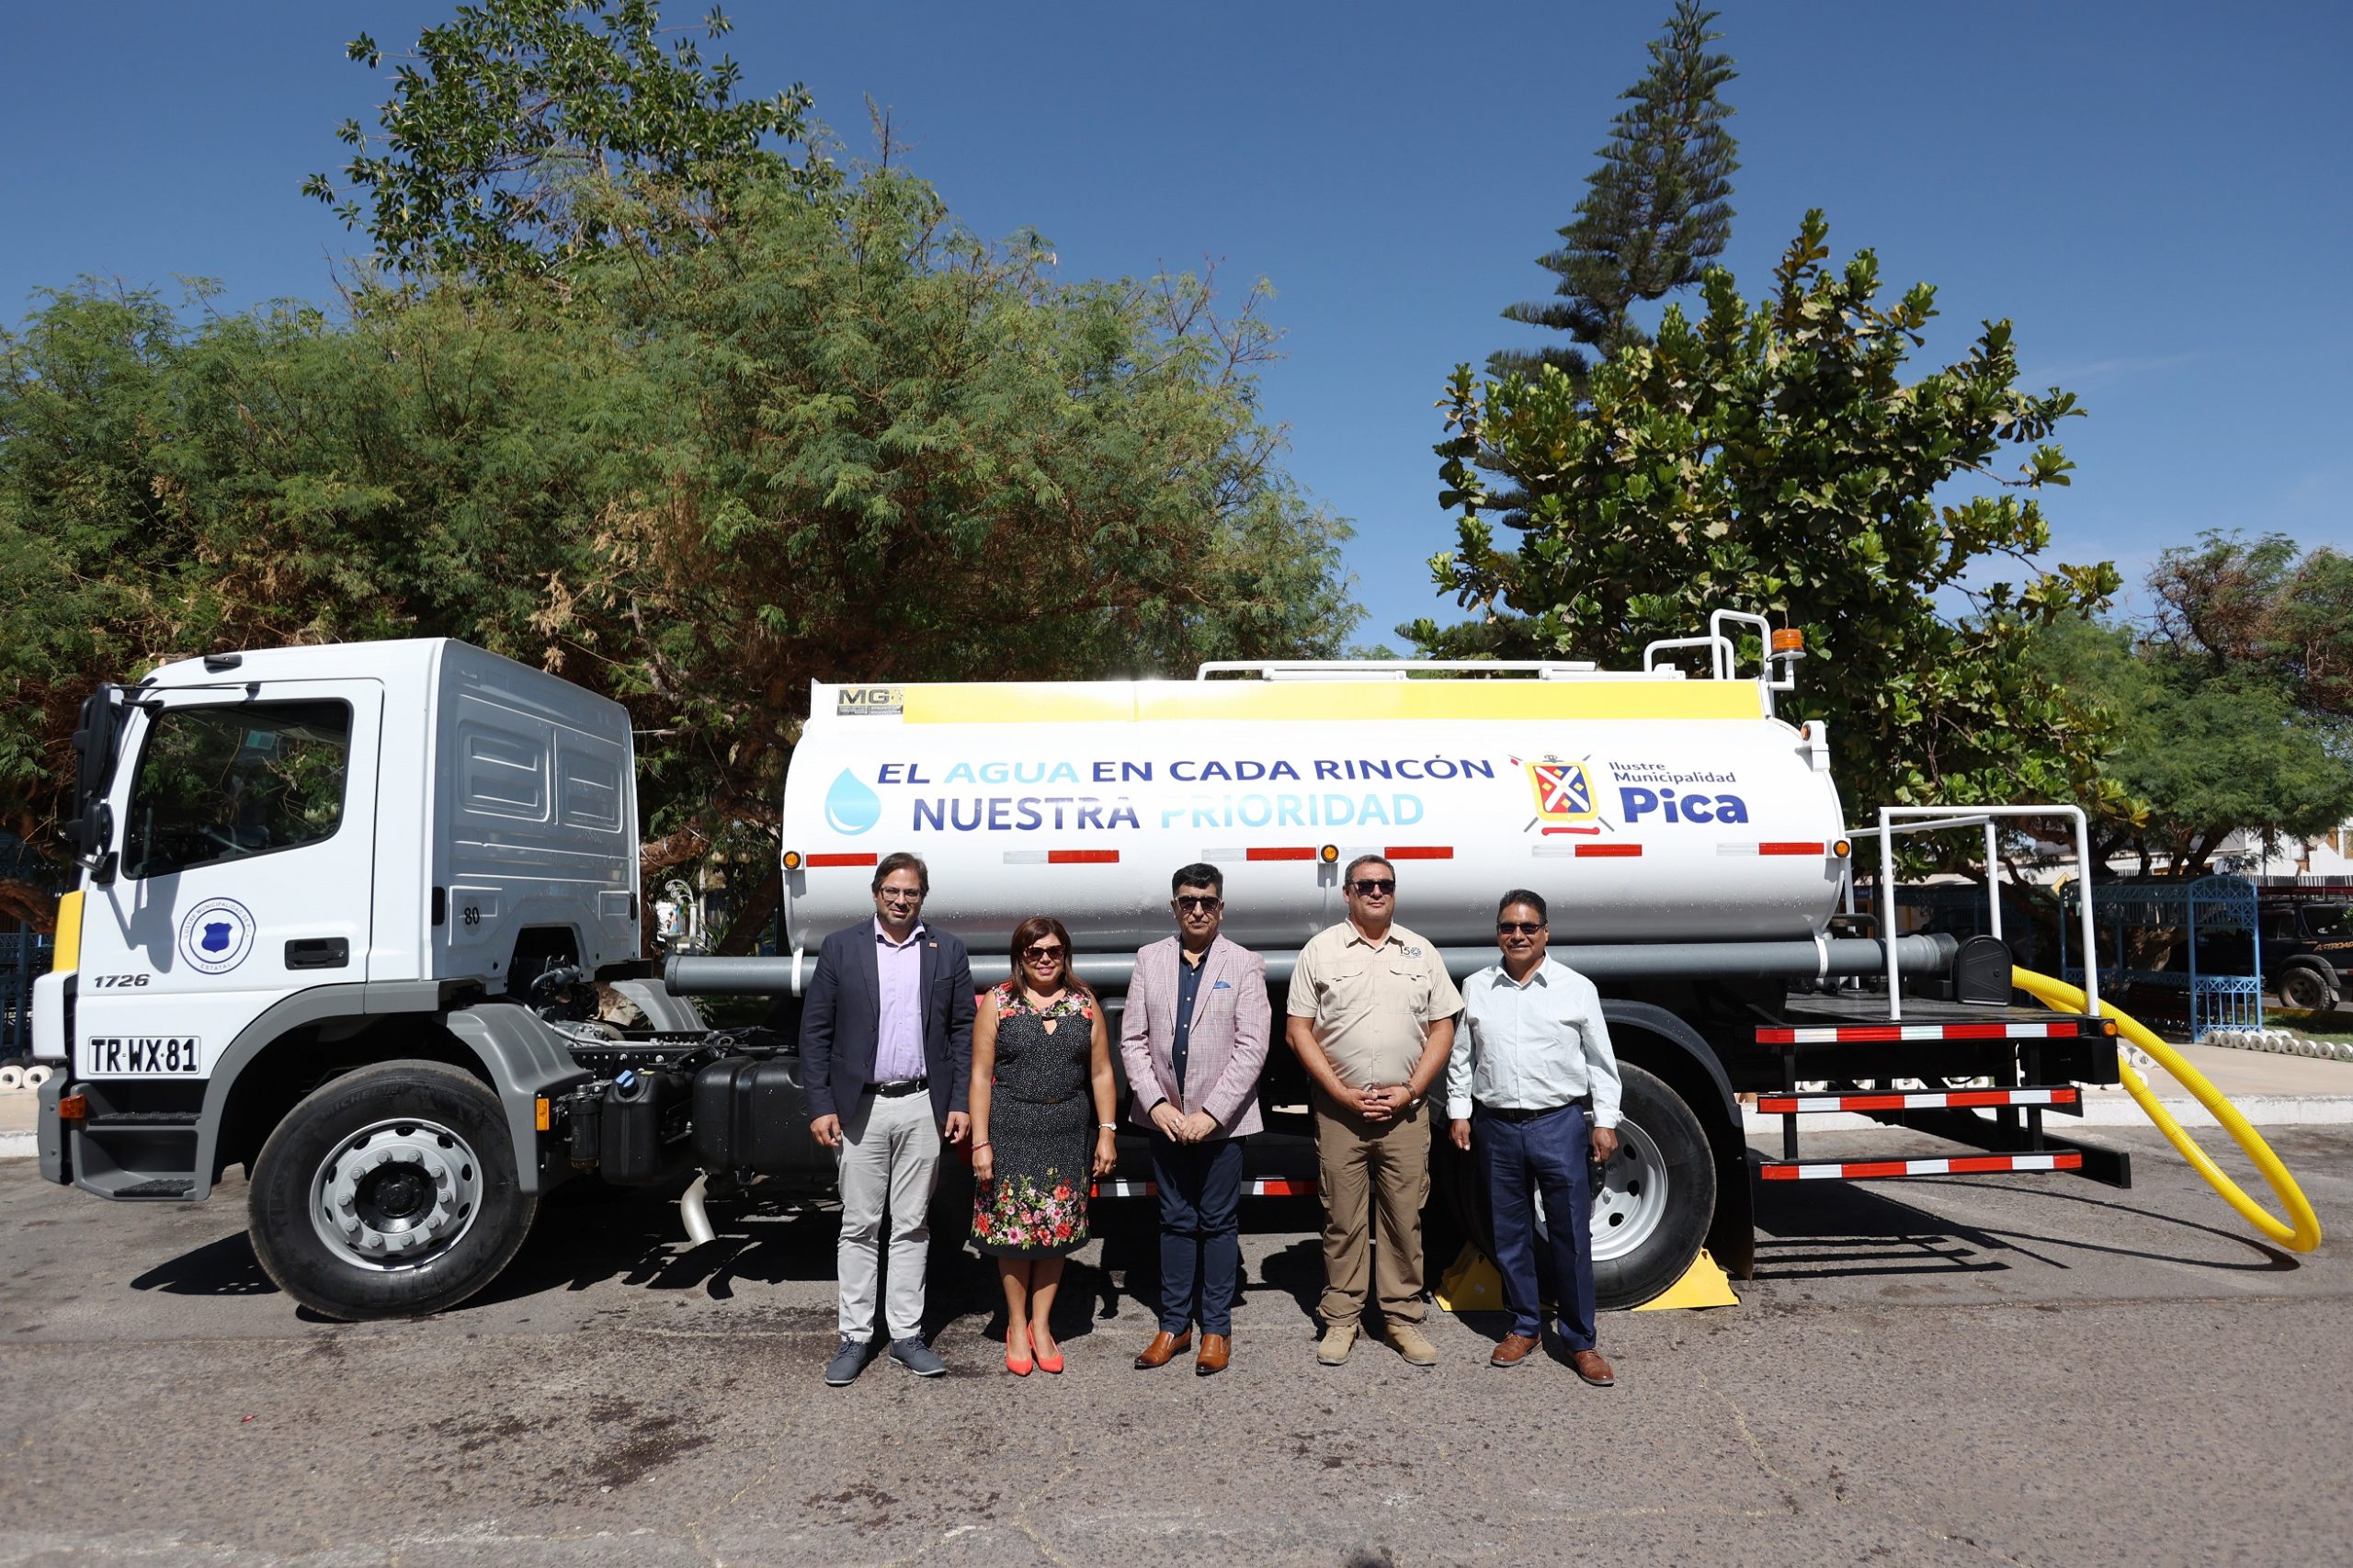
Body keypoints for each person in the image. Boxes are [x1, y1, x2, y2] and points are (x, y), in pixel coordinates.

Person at [800, 852, 974, 1386]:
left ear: (923, 896)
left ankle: (905, 1335)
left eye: (912, 893)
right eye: (893, 891)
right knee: (859, 1225)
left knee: (913, 1225)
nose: (902, 901)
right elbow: (815, 1033)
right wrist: (822, 1104)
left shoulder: (947, 951)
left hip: (923, 1105)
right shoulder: (841, 948)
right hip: (861, 1108)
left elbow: (962, 1032)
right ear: (876, 893)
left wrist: (960, 1101)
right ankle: (855, 1337)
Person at [1286, 855, 1462, 1368]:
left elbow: (1443, 1026)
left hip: (1405, 1112)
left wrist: (1411, 1090)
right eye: (1365, 885)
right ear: (1347, 893)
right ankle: (1341, 1320)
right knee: (1342, 1218)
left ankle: (1403, 1319)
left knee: (1404, 1219)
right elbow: (1298, 1030)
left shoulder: (1420, 951)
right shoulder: (1320, 951)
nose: (1376, 893)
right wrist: (1339, 1093)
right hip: (1341, 1112)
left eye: (1385, 885)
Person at [1448, 889, 1621, 1386]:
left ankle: (1581, 1341)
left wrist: (1605, 1120)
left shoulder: (1575, 988)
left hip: (1558, 1125)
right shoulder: (1477, 986)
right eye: (1508, 927)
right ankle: (1525, 1325)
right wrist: (1461, 1111)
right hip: (1497, 1126)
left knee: (1570, 1237)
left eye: (1528, 927)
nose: (1517, 935)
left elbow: (1600, 1063)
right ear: (1497, 934)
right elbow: (1463, 1058)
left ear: (1546, 931)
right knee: (1509, 1235)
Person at [1120, 862, 1272, 1377]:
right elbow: (1133, 1041)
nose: (1198, 910)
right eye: (1188, 901)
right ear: (1174, 907)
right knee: (1175, 1222)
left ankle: (1215, 1330)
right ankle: (1173, 1325)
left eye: (1207, 901)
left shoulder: (1245, 963)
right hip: (1165, 1121)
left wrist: (1210, 1114)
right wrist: (1158, 1106)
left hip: (1221, 1125)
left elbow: (1252, 1048)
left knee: (1219, 1223)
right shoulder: (1149, 959)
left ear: (1221, 907)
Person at [970, 915, 1119, 1376]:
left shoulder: (1084, 1002)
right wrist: (981, 1142)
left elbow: (1101, 1073)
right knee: (1013, 1236)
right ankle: (1015, 1326)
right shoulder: (998, 1002)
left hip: (1067, 1132)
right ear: (1020, 957)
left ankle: (1041, 1325)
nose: (1045, 959)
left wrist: (1108, 1131)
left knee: (1054, 1234)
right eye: (1034, 952)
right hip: (1011, 1129)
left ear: (1065, 953)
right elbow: (978, 1076)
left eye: (1053, 951)